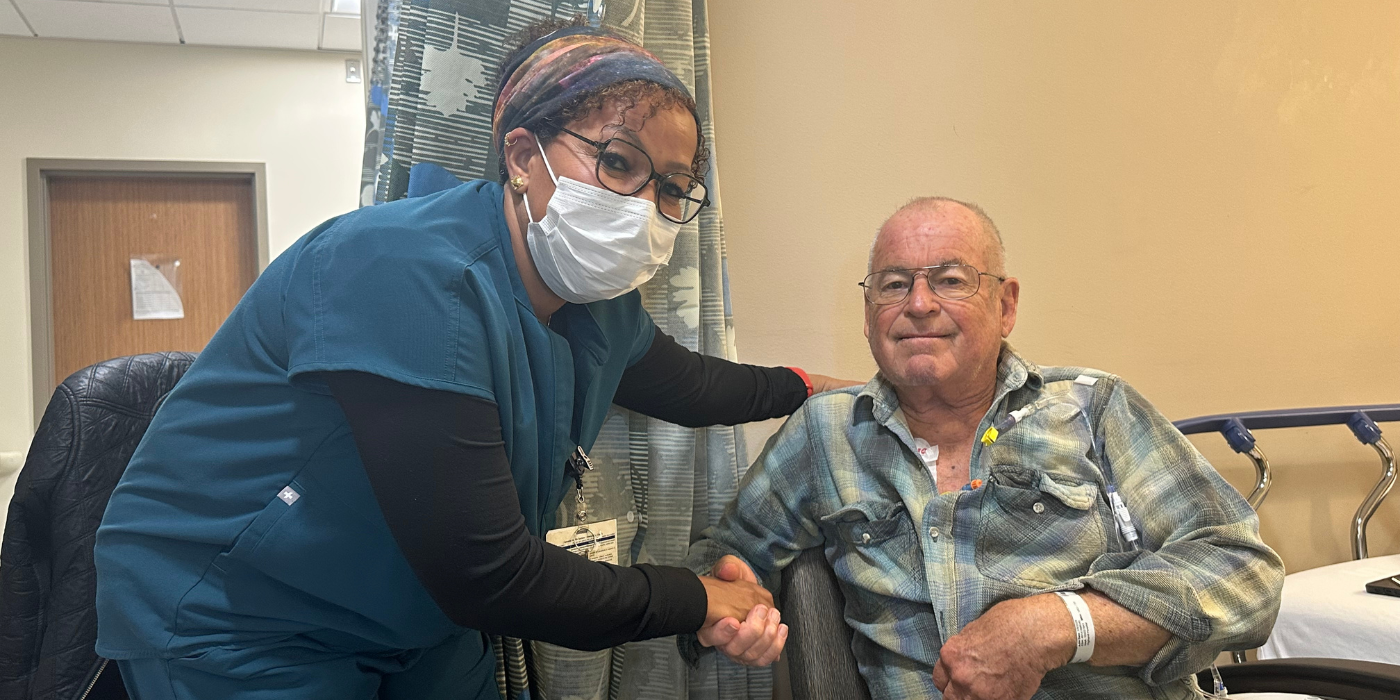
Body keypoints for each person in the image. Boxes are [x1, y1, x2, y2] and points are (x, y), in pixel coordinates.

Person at [94, 18, 855, 699]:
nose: (646, 207)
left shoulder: (597, 307)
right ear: (522, 155)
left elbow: (693, 386)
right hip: (242, 612)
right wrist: (700, 601)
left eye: (673, 187)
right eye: (620, 164)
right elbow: (488, 576)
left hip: (414, 611)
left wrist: (819, 387)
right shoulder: (397, 269)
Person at [685, 197, 1285, 699]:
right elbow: (725, 557)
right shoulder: (825, 433)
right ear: (869, 317)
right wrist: (733, 604)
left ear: (1006, 305)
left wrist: (1062, 623)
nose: (919, 305)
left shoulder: (1093, 407)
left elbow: (1242, 572)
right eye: (895, 284)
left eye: (951, 280)